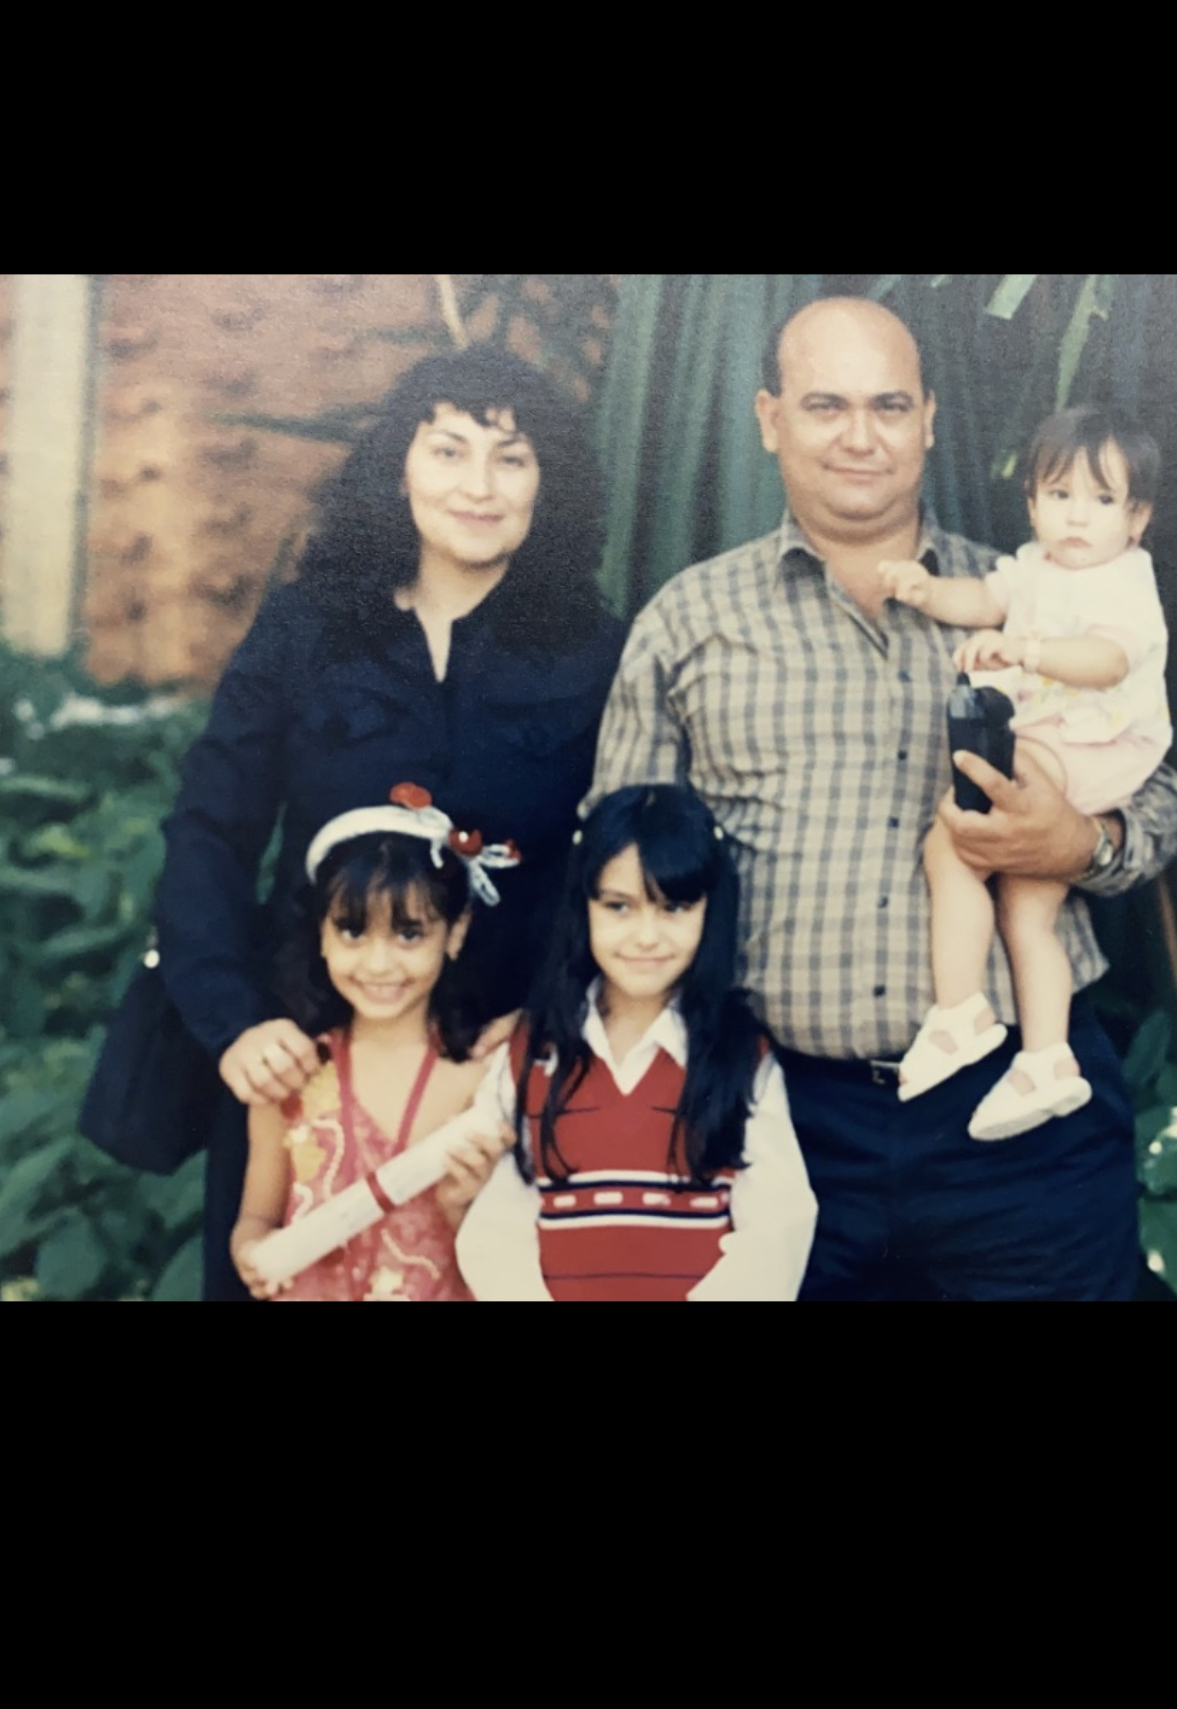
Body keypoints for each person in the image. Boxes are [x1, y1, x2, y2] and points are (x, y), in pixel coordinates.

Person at [590, 296, 1177, 1304]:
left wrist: (1083, 842)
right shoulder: (688, 621)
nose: (861, 436)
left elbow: (1161, 793)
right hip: (777, 1123)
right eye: (826, 405)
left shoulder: (1039, 593)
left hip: (1017, 1119)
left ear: (930, 420)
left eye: (889, 404)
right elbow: (620, 870)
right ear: (770, 418)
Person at [155, 345, 624, 1302]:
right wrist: (235, 1021)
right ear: (397, 466)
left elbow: (616, 866)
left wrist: (556, 1021)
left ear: (552, 484)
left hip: (497, 1086)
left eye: (512, 457)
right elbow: (210, 828)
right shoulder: (306, 630)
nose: (478, 487)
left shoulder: (595, 651)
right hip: (311, 1064)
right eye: (447, 450)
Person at [878, 404, 1171, 1143]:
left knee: (951, 841)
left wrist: (1023, 650)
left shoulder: (1124, 582)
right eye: (1060, 495)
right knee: (1028, 910)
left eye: (1102, 501)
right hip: (1060, 746)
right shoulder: (1036, 567)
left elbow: (1106, 662)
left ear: (1136, 519)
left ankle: (960, 1012)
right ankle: (1047, 1059)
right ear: (1033, 503)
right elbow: (979, 599)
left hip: (1091, 745)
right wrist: (925, 590)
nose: (1077, 517)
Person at [455, 784, 818, 1302]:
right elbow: (497, 1227)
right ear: (584, 907)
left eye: (673, 907)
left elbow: (777, 1228)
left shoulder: (739, 1056)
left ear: (709, 911)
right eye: (619, 907)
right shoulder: (533, 1053)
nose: (646, 936)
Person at [231, 791, 516, 1302]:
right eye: (353, 932)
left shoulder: (485, 1076)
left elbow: (512, 1254)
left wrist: (464, 1206)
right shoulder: (291, 1073)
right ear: (320, 933)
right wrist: (251, 1252)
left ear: (455, 933)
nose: (380, 965)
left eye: (409, 935)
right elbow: (256, 1215)